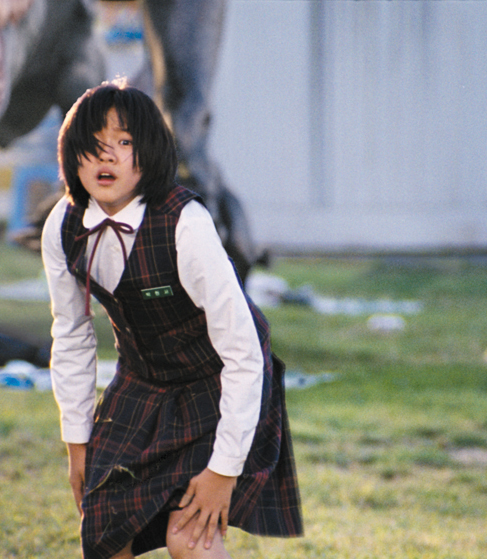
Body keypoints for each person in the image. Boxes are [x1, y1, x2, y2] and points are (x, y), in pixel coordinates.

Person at [41, 79, 302, 559]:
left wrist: (223, 470)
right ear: (71, 154)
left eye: (124, 142)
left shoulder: (187, 224)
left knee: (190, 535)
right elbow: (72, 334)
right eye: (94, 143)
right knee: (103, 536)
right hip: (142, 382)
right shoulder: (63, 224)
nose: (107, 156)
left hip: (218, 381)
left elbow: (243, 352)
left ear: (150, 155)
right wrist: (77, 442)